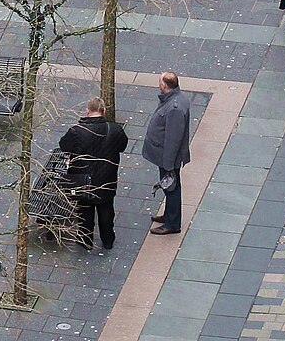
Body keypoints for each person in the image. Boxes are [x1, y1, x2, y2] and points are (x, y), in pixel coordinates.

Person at [59, 96, 129, 249]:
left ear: (87, 111)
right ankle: (108, 240)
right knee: (106, 209)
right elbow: (122, 146)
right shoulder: (115, 129)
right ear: (104, 111)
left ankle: (85, 241)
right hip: (107, 177)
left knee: (84, 209)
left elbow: (64, 146)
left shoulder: (77, 131)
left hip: (82, 178)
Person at [141, 72, 191, 235]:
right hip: (165, 156)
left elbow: (172, 139)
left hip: (167, 157)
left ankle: (172, 223)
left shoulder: (174, 108)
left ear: (164, 85)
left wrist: (168, 164)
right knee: (170, 187)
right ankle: (169, 216)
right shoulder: (175, 99)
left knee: (172, 188)